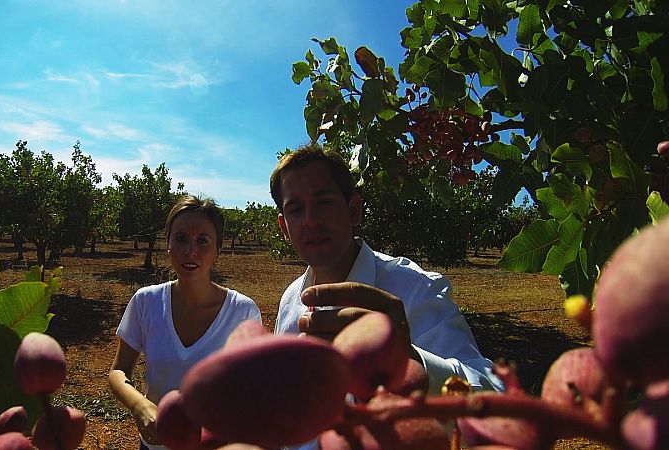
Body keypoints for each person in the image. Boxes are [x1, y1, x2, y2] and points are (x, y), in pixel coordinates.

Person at [270, 144, 503, 397]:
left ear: (353, 210)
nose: (311, 219)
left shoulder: (416, 290)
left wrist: (411, 362)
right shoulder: (290, 300)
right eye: (295, 209)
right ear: (284, 227)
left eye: (324, 202)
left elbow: (493, 391)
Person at [109, 195, 262, 450]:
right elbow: (118, 371)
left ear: (218, 249)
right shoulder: (146, 302)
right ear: (168, 244)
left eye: (203, 241)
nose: (191, 251)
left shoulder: (242, 311)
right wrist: (139, 405)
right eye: (181, 239)